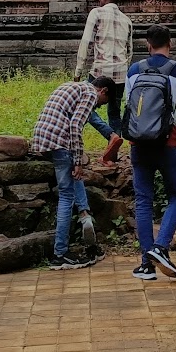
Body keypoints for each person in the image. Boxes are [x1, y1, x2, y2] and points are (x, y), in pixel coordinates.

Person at [122, 24, 176, 280]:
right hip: (168, 142)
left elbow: (130, 107)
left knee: (143, 200)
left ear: (147, 44)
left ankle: (146, 264)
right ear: (170, 44)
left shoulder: (134, 70)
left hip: (138, 143)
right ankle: (161, 246)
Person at [30, 73, 112, 269]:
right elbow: (75, 125)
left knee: (76, 178)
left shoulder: (72, 85)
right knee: (66, 196)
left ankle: (85, 216)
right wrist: (78, 160)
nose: (98, 106)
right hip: (60, 142)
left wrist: (77, 165)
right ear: (103, 91)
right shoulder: (91, 94)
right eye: (103, 102)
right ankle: (60, 254)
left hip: (43, 139)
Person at [76, 0, 132, 163]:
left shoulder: (96, 13)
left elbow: (86, 43)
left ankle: (110, 136)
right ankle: (112, 154)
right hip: (121, 73)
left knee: (83, 105)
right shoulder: (127, 20)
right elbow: (129, 50)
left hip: (100, 71)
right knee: (114, 112)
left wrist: (78, 71)